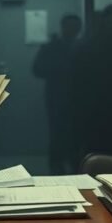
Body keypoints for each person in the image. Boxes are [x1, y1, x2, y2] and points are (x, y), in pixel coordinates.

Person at [32, 14, 82, 173]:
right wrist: (59, 69)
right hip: (57, 97)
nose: (72, 30)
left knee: (76, 134)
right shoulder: (52, 47)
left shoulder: (82, 46)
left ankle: (74, 167)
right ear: (63, 27)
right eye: (70, 26)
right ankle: (56, 169)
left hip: (78, 98)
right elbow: (37, 69)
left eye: (75, 27)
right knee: (57, 134)